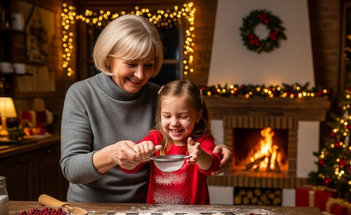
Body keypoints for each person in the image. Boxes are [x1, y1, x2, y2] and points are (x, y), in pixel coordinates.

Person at [59, 14, 231, 203]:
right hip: (93, 208)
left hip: (146, 209)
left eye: (148, 65)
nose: (140, 75)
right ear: (108, 59)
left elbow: (188, 138)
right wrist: (113, 154)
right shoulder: (81, 94)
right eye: (131, 64)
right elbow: (71, 169)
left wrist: (217, 151)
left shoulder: (157, 95)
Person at [121, 80, 220, 204]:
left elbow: (212, 167)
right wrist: (138, 153)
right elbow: (128, 167)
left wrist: (199, 155)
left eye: (183, 116)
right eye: (167, 116)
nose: (174, 123)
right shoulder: (156, 139)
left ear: (198, 116)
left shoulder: (202, 141)